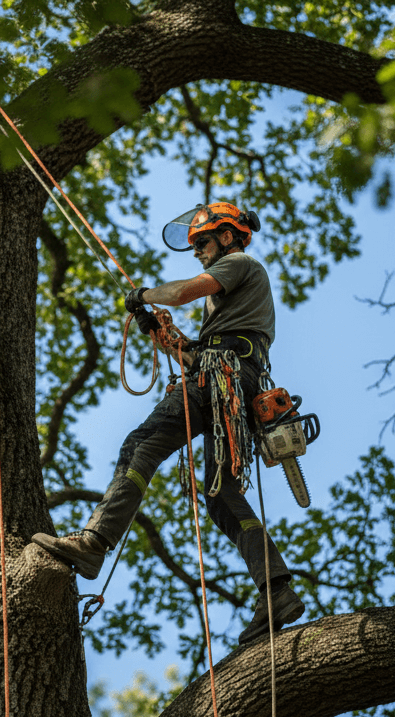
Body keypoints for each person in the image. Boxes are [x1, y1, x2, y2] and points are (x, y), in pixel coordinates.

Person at [32, 202, 304, 645]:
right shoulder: (227, 306)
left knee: (141, 446)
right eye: (194, 244)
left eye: (203, 242)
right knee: (220, 496)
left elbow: (180, 294)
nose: (197, 251)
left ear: (229, 236)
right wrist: (158, 333)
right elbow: (192, 357)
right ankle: (277, 590)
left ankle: (94, 542)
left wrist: (145, 295)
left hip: (224, 374)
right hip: (226, 376)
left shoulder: (239, 264)